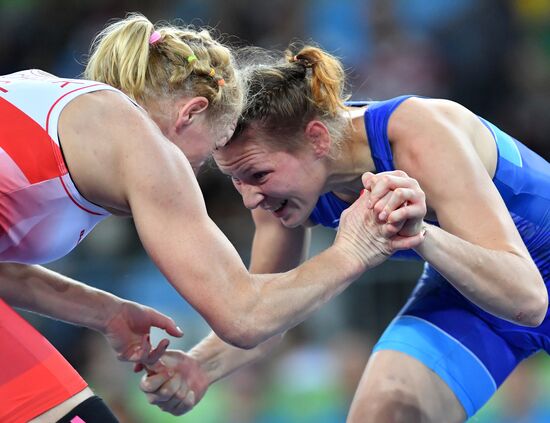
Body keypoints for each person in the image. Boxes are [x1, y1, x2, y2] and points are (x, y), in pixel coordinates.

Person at [0, 14, 425, 423]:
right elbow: (243, 316)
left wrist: (105, 312)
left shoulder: (47, 96)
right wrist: (355, 249)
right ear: (191, 113)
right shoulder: (141, 142)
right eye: (212, 151)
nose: (200, 168)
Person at [140, 44, 549, 423]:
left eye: (258, 175)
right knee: (383, 414)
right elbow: (269, 313)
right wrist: (200, 367)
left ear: (317, 139)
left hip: (514, 282)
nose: (250, 200)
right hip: (471, 294)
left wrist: (421, 233)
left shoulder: (418, 133)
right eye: (236, 180)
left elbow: (528, 300)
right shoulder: (280, 196)